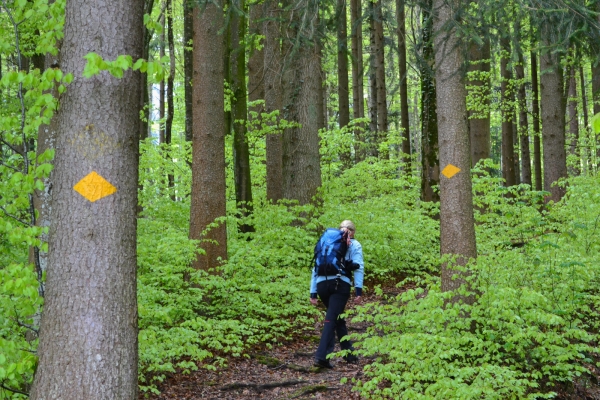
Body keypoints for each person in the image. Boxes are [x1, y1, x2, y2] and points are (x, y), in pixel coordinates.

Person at [310, 220, 364, 369]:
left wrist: (313, 292)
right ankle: (322, 356)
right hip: (339, 285)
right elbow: (358, 267)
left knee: (338, 318)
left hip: (321, 286)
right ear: (352, 232)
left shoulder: (326, 244)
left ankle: (348, 354)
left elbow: (315, 267)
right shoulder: (354, 244)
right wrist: (358, 290)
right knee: (331, 319)